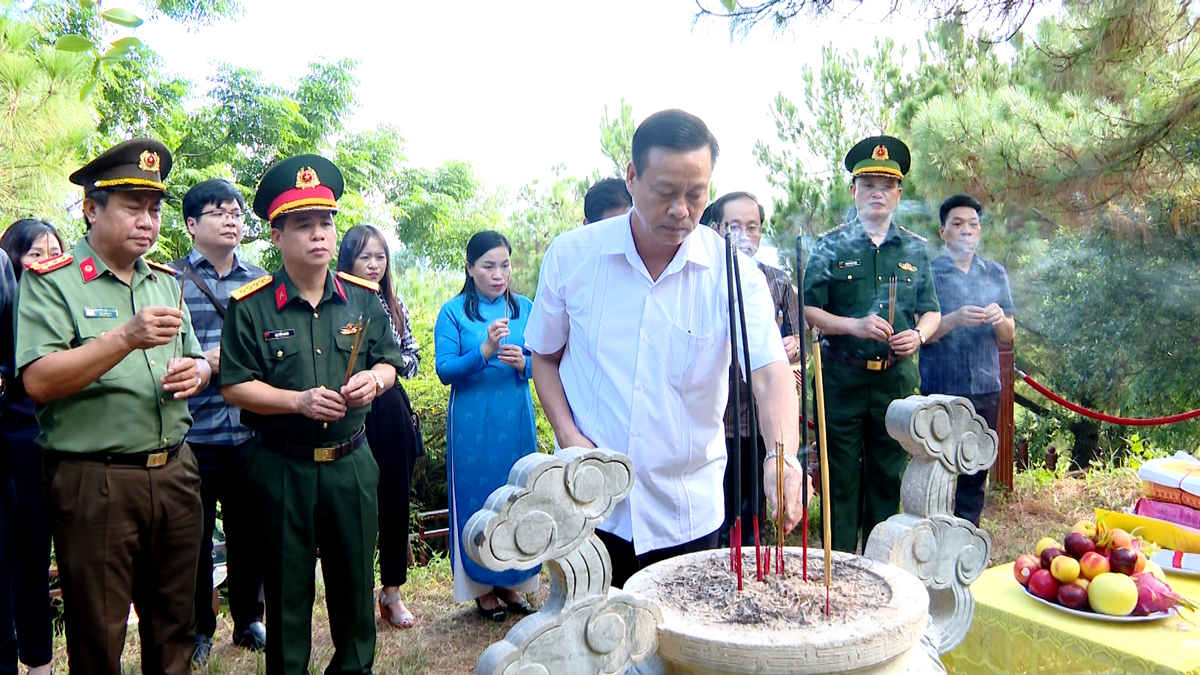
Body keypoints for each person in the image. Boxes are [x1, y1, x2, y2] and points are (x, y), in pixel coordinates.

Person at [526, 110, 804, 589]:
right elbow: (544, 357)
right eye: (666, 192)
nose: (682, 210)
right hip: (590, 504)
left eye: (696, 195)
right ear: (632, 178)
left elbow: (769, 372)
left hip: (687, 511)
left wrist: (781, 456)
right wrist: (569, 435)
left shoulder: (732, 274)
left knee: (678, 656)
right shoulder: (572, 257)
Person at [15, 139, 210, 675]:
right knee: (98, 633)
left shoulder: (165, 283)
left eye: (154, 209)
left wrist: (198, 372)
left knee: (175, 624)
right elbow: (39, 380)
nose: (146, 221)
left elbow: (194, 358)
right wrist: (123, 337)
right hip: (95, 480)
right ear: (91, 208)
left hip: (174, 471)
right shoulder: (52, 283)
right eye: (131, 206)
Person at [220, 154, 402, 675]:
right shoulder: (251, 306)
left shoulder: (363, 300)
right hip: (282, 467)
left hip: (351, 464)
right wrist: (296, 401)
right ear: (276, 236)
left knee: (353, 585)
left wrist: (376, 381)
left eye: (325, 222)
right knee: (287, 589)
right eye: (303, 225)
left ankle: (353, 668)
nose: (318, 235)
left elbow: (390, 361)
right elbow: (234, 386)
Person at [803, 135, 942, 553]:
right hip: (840, 382)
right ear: (854, 192)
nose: (876, 193)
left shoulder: (915, 250)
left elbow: (931, 311)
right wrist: (854, 325)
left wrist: (918, 336)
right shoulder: (829, 246)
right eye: (868, 185)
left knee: (887, 479)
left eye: (886, 186)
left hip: (894, 384)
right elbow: (808, 310)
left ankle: (880, 568)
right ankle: (842, 568)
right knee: (839, 482)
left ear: (898, 194)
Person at [175, 178, 268, 663]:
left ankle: (250, 619)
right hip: (194, 433)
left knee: (248, 529)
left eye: (236, 212)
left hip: (250, 428)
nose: (232, 219)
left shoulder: (259, 281)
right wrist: (210, 361)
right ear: (192, 224)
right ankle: (198, 628)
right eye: (219, 212)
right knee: (193, 536)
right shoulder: (170, 280)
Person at [435, 230, 539, 622]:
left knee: (516, 496)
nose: (499, 274)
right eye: (488, 266)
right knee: (478, 495)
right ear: (470, 268)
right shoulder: (453, 311)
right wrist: (484, 352)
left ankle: (512, 580)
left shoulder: (527, 307)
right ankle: (480, 587)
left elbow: (543, 362)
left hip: (515, 416)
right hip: (472, 421)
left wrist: (523, 364)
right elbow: (445, 370)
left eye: (505, 265)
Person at [335, 224, 422, 630]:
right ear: (348, 259)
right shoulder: (334, 301)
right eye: (365, 256)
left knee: (394, 498)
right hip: (348, 409)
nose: (373, 265)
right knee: (352, 503)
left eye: (380, 256)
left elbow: (412, 357)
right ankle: (356, 592)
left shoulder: (393, 302)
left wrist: (383, 371)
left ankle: (392, 591)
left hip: (389, 408)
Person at [707, 192, 802, 544]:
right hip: (714, 421)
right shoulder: (704, 277)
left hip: (759, 419)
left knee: (751, 509)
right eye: (734, 227)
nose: (744, 235)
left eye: (753, 227)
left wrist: (789, 348)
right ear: (715, 229)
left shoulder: (776, 281)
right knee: (715, 510)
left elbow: (797, 343)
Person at [919, 194, 1015, 526]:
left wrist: (999, 318)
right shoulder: (928, 273)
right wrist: (954, 319)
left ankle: (966, 535)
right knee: (937, 468)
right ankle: (932, 535)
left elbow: (1008, 335)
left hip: (985, 385)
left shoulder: (994, 273)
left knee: (976, 468)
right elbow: (922, 334)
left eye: (973, 225)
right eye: (958, 224)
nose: (966, 231)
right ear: (942, 231)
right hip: (940, 386)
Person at [0, 221, 54, 675]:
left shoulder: (66, 305)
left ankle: (44, 659)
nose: (48, 262)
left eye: (56, 252)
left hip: (64, 442)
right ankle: (27, 657)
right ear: (13, 259)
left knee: (50, 559)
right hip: (19, 441)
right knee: (21, 559)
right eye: (37, 253)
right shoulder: (10, 307)